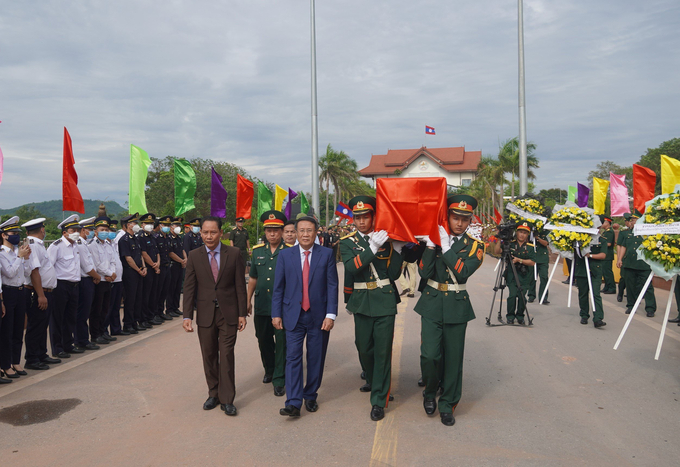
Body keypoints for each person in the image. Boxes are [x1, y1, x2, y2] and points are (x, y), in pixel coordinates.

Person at [415, 194, 485, 427]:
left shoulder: (476, 246)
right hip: (432, 301)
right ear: (448, 217)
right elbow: (424, 274)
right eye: (455, 218)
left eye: (464, 219)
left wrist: (445, 247)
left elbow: (463, 271)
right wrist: (431, 245)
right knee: (430, 355)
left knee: (454, 359)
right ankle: (429, 391)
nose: (459, 223)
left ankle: (448, 403)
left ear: (470, 220)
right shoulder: (435, 241)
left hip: (456, 303)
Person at [339, 196, 403, 421]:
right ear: (353, 220)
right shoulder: (347, 242)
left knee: (383, 351)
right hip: (362, 300)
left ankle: (379, 399)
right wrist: (372, 247)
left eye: (366, 216)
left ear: (374, 217)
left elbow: (393, 275)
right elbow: (351, 267)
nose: (362, 221)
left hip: (384, 300)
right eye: (358, 217)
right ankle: (376, 380)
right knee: (364, 348)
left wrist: (397, 250)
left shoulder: (386, 239)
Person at [271, 215, 338, 417]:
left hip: (318, 317)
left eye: (309, 230)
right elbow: (278, 288)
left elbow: (332, 286)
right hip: (293, 315)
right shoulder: (286, 256)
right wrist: (276, 314)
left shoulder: (326, 254)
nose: (305, 234)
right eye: (301, 230)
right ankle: (293, 401)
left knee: (316, 357)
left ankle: (310, 395)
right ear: (295, 233)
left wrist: (331, 315)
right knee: (293, 357)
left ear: (316, 232)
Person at [182, 216, 247, 416]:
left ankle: (227, 399)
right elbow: (189, 287)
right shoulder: (194, 255)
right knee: (209, 355)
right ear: (200, 233)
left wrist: (242, 313)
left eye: (212, 232)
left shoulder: (234, 253)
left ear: (220, 233)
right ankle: (213, 393)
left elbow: (239, 286)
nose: (208, 236)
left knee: (226, 355)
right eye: (205, 232)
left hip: (229, 313)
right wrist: (187, 316)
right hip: (205, 314)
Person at [247, 210, 289, 397]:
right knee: (263, 340)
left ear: (281, 231)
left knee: (282, 342)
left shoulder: (289, 251)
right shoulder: (257, 252)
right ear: (265, 232)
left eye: (276, 230)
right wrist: (247, 300)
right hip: (262, 304)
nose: (272, 233)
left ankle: (280, 378)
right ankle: (269, 369)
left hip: (282, 306)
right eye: (269, 230)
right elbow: (253, 278)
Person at [47, 215, 88, 358]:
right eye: (73, 230)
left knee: (70, 317)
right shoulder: (56, 246)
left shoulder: (76, 245)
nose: (76, 232)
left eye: (78, 229)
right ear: (65, 232)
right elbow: (49, 267)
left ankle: (68, 344)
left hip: (74, 285)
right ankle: (57, 348)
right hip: (60, 285)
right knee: (58, 318)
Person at [22, 218, 59, 370]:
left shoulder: (38, 245)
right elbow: (34, 271)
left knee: (42, 325)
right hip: (38, 292)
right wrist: (41, 295)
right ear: (42, 230)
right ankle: (32, 358)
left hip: (45, 291)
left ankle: (41, 353)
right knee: (36, 325)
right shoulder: (32, 245)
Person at [0, 217, 32, 379]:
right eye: (13, 233)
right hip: (8, 292)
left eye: (18, 233)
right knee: (7, 330)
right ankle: (5, 364)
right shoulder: (2, 254)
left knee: (19, 328)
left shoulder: (16, 252)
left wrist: (25, 258)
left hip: (20, 291)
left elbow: (25, 273)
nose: (16, 237)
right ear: (4, 235)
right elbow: (10, 273)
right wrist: (20, 257)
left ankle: (15, 361)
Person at [496, 222, 536, 325]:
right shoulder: (510, 244)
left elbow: (532, 262)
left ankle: (520, 316)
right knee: (512, 295)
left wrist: (519, 260)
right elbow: (497, 251)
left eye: (525, 233)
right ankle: (510, 316)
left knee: (522, 297)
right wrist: (498, 239)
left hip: (525, 276)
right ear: (516, 233)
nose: (522, 235)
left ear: (528, 235)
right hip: (512, 275)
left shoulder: (531, 247)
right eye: (520, 232)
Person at [618, 211, 656, 317]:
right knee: (630, 286)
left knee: (647, 287)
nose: (631, 222)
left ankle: (650, 308)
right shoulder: (628, 233)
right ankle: (631, 306)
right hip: (629, 263)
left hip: (644, 265)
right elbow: (624, 246)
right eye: (631, 220)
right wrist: (620, 259)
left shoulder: (647, 233)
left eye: (634, 220)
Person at [74, 217, 102, 351]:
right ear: (83, 230)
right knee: (83, 313)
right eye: (90, 229)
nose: (91, 232)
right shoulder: (80, 243)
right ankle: (81, 340)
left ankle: (82, 339)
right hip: (84, 280)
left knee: (85, 311)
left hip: (89, 279)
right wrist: (97, 276)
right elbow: (86, 266)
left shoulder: (84, 243)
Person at [88, 217, 117, 345]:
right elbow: (97, 264)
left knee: (105, 308)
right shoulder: (92, 245)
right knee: (97, 309)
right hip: (99, 280)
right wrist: (109, 273)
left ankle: (102, 332)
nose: (104, 232)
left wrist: (112, 274)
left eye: (106, 229)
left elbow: (112, 261)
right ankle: (95, 335)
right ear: (95, 231)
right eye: (102, 230)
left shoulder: (108, 244)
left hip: (108, 280)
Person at [118, 213, 147, 334]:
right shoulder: (124, 240)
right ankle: (128, 324)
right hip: (131, 272)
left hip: (139, 271)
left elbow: (140, 254)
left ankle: (135, 321)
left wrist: (144, 267)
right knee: (130, 299)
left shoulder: (136, 238)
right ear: (128, 225)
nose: (136, 225)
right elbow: (128, 259)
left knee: (138, 298)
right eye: (134, 223)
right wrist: (139, 270)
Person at [574, 235, 607, 327]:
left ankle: (598, 318)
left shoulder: (602, 240)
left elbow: (603, 255)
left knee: (595, 294)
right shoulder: (580, 238)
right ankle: (584, 315)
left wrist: (590, 255)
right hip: (582, 269)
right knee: (583, 294)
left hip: (595, 271)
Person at [138, 213, 162, 328]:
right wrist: (153, 265)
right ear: (142, 224)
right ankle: (144, 318)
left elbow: (157, 252)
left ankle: (151, 316)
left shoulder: (153, 236)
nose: (150, 226)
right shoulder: (141, 237)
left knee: (154, 294)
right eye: (147, 223)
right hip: (149, 268)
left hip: (155, 268)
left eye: (151, 223)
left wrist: (157, 264)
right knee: (146, 295)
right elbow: (144, 253)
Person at [106, 219, 126, 336]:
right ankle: (104, 331)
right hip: (110, 279)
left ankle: (116, 329)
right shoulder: (103, 244)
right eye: (110, 230)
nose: (112, 232)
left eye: (114, 230)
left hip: (118, 278)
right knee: (108, 307)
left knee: (116, 307)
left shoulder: (114, 243)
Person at [154, 216, 174, 321]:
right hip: (160, 267)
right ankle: (155, 312)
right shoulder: (157, 237)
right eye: (164, 225)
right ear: (160, 225)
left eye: (168, 225)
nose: (166, 227)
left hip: (167, 266)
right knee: (158, 290)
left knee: (165, 291)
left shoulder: (169, 238)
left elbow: (170, 252)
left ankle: (161, 311)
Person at [166, 217, 187, 318]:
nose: (178, 227)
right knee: (171, 288)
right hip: (173, 265)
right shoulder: (169, 238)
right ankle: (169, 309)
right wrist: (181, 260)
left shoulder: (178, 238)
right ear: (171, 227)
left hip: (180, 265)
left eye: (179, 226)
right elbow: (171, 253)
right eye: (176, 225)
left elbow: (182, 249)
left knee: (178, 287)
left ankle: (175, 307)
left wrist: (185, 259)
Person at [527, 228, 550, 305]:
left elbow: (546, 243)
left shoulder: (546, 232)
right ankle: (531, 295)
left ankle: (543, 297)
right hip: (533, 257)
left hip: (543, 258)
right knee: (532, 278)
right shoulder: (530, 231)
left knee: (544, 277)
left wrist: (537, 237)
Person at [599, 216, 616, 294]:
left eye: (603, 222)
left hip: (608, 255)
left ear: (607, 223)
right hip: (605, 254)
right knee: (604, 272)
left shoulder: (609, 232)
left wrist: (600, 244)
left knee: (608, 272)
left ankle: (612, 287)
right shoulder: (605, 231)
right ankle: (606, 286)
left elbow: (608, 243)